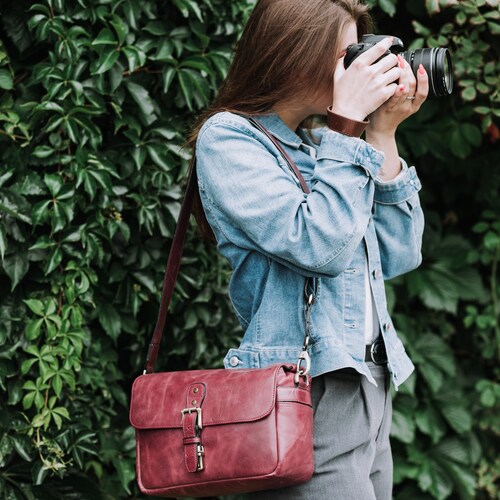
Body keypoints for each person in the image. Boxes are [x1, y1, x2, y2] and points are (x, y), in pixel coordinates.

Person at [188, 0, 428, 498]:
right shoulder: (230, 139)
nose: (361, 69)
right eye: (348, 55)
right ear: (296, 52)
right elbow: (320, 245)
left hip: (370, 384)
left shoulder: (321, 147)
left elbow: (398, 253)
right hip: (306, 395)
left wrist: (381, 133)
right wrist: (347, 127)